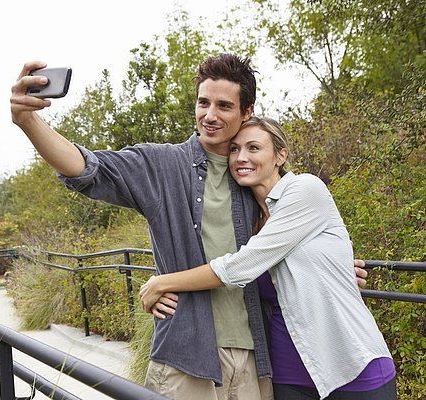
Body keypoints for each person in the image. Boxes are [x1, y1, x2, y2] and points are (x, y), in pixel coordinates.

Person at [10, 54, 367, 400]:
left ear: (247, 112)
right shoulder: (162, 165)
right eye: (203, 103)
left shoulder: (253, 177)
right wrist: (28, 121)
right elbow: (87, 168)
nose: (209, 115)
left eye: (224, 106)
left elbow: (279, 248)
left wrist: (325, 270)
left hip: (256, 360)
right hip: (186, 357)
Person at [139, 116, 396, 400]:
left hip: (349, 364)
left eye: (253, 148)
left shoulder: (306, 190)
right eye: (234, 149)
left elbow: (238, 267)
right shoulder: (249, 222)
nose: (241, 157)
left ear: (280, 155)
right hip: (288, 375)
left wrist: (162, 283)